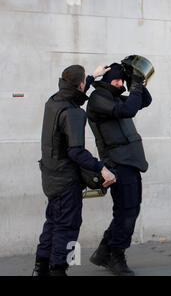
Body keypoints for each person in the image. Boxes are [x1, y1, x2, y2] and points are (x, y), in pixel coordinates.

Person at [34, 65, 116, 276]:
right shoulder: (74, 113)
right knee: (67, 228)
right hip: (66, 181)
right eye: (83, 84)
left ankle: (41, 269)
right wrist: (102, 168)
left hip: (50, 177)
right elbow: (76, 152)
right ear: (79, 85)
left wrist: (92, 77)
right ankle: (58, 270)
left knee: (52, 223)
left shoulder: (53, 101)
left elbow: (73, 93)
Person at [86, 59, 153, 276]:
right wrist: (133, 85)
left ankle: (103, 252)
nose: (118, 83)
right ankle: (116, 256)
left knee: (127, 210)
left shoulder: (114, 97)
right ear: (105, 81)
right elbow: (129, 110)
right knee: (127, 212)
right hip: (117, 162)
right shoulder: (98, 99)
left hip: (130, 161)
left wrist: (138, 80)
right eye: (114, 79)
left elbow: (144, 100)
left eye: (120, 79)